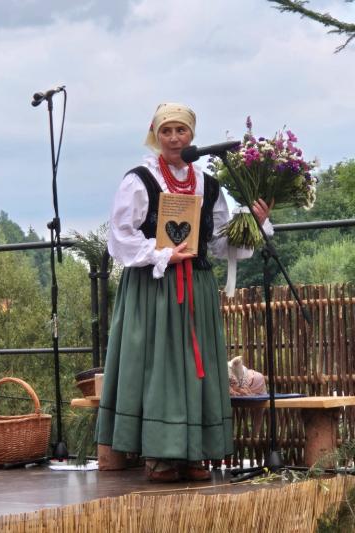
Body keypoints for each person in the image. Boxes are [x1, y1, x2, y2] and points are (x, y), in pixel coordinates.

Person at [95, 102, 271, 482]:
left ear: (192, 135)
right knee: (160, 366)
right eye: (167, 131)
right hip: (154, 287)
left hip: (197, 287)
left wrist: (254, 224)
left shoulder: (208, 185)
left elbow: (219, 243)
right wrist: (161, 254)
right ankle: (160, 454)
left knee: (196, 365)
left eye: (181, 130)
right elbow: (120, 237)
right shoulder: (140, 180)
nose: (174, 138)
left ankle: (194, 452)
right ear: (156, 135)